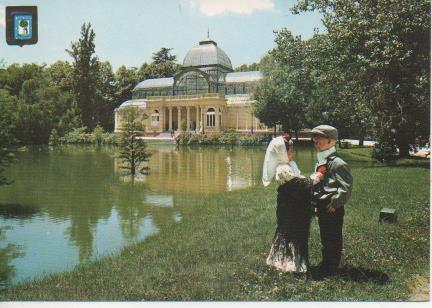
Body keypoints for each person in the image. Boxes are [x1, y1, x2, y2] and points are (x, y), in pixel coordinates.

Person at [262, 135, 323, 273]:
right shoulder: (282, 168)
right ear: (282, 153)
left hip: (295, 205)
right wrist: (316, 177)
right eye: (290, 151)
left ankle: (293, 261)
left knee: (297, 232)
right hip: (288, 207)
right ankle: (288, 264)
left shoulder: (291, 165)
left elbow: (298, 179)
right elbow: (298, 184)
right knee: (289, 232)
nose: (293, 153)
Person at [311, 125, 353, 277]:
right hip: (322, 205)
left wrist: (335, 203)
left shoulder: (338, 163)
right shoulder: (321, 161)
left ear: (331, 141)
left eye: (319, 140)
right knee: (325, 236)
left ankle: (332, 267)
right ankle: (326, 263)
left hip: (332, 206)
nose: (316, 143)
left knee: (333, 237)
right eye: (315, 140)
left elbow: (346, 187)